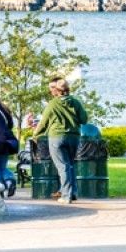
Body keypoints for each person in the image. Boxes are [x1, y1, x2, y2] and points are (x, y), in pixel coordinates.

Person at [34, 76, 88, 204]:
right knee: (70, 165)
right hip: (74, 137)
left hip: (57, 137)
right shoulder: (76, 102)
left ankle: (66, 195)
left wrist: (36, 135)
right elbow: (84, 119)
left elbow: (43, 123)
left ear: (57, 91)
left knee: (62, 166)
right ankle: (73, 192)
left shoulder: (52, 104)